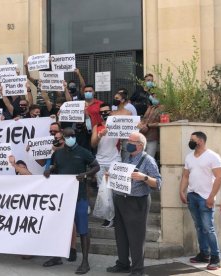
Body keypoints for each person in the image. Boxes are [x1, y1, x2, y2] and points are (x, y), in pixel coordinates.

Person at [43, 127, 100, 274]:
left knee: (83, 230)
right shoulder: (58, 154)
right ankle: (57, 256)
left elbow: (96, 166)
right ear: (62, 137)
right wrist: (50, 170)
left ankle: (85, 262)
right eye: (67, 136)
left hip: (80, 196)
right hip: (63, 197)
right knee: (59, 228)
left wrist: (86, 174)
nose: (70, 138)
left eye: (72, 135)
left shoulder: (83, 152)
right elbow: (56, 167)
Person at [107, 132, 161, 276]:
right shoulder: (126, 157)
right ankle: (123, 263)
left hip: (137, 202)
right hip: (121, 199)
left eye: (131, 141)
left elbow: (158, 183)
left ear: (140, 145)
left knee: (136, 238)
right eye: (128, 140)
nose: (127, 143)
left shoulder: (148, 160)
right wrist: (111, 175)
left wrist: (144, 177)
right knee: (121, 235)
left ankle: (138, 270)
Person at [179, 131, 221, 270]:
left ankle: (216, 258)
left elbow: (219, 177)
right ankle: (204, 254)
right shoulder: (189, 157)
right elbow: (185, 176)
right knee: (199, 227)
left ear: (201, 141)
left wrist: (211, 197)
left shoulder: (213, 157)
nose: (190, 142)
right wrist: (181, 191)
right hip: (192, 196)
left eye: (193, 139)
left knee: (208, 228)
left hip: (206, 198)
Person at [91, 103, 120, 228]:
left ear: (111, 112)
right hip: (101, 162)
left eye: (107, 111)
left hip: (115, 160)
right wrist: (99, 135)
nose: (104, 114)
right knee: (102, 190)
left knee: (115, 190)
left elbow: (129, 134)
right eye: (102, 112)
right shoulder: (96, 126)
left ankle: (116, 216)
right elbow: (92, 144)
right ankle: (108, 217)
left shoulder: (118, 125)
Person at [137, 92, 163, 158]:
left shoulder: (163, 108)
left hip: (153, 137)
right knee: (141, 158)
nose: (154, 99)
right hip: (143, 136)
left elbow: (163, 123)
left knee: (149, 158)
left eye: (156, 97)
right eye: (153, 97)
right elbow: (144, 119)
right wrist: (141, 124)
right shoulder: (150, 107)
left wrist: (148, 125)